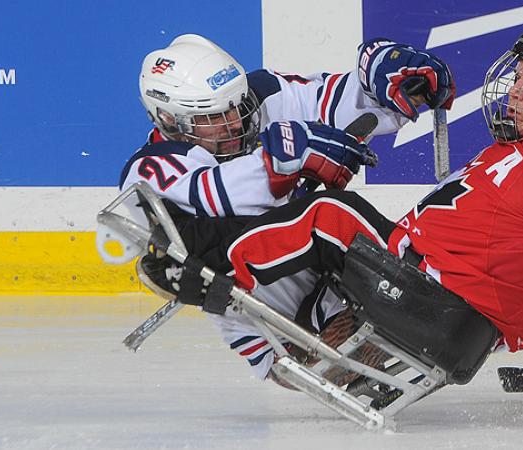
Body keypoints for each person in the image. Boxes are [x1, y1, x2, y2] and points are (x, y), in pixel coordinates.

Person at [173, 22, 523, 442]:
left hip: (429, 301)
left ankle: (200, 265)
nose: (512, 92)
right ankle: (239, 287)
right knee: (327, 221)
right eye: (518, 76)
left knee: (327, 213)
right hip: (447, 319)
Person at [119, 34, 455, 380]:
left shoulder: (260, 95)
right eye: (215, 117)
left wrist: (381, 77)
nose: (235, 122)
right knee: (325, 213)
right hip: (279, 333)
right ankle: (421, 295)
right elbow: (215, 196)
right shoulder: (148, 169)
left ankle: (432, 287)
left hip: (335, 280)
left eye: (237, 106)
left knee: (341, 217)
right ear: (170, 120)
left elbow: (330, 100)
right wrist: (289, 157)